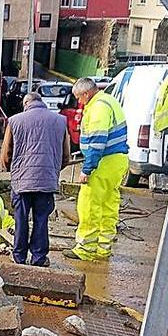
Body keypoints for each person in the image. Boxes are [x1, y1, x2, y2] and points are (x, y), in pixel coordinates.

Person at [0, 92, 71, 267]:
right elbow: (66, 155)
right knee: (41, 220)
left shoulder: (15, 120)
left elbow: (6, 153)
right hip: (47, 182)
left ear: (26, 104)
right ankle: (39, 258)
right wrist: (52, 171)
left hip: (21, 181)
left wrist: (12, 170)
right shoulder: (60, 120)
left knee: (21, 219)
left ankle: (19, 257)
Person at [63, 77, 129, 261]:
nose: (78, 101)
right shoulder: (109, 101)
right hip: (116, 160)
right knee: (108, 204)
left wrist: (87, 169)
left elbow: (98, 141)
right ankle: (103, 247)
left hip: (103, 162)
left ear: (86, 93)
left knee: (89, 204)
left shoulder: (98, 107)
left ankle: (86, 248)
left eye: (78, 97)